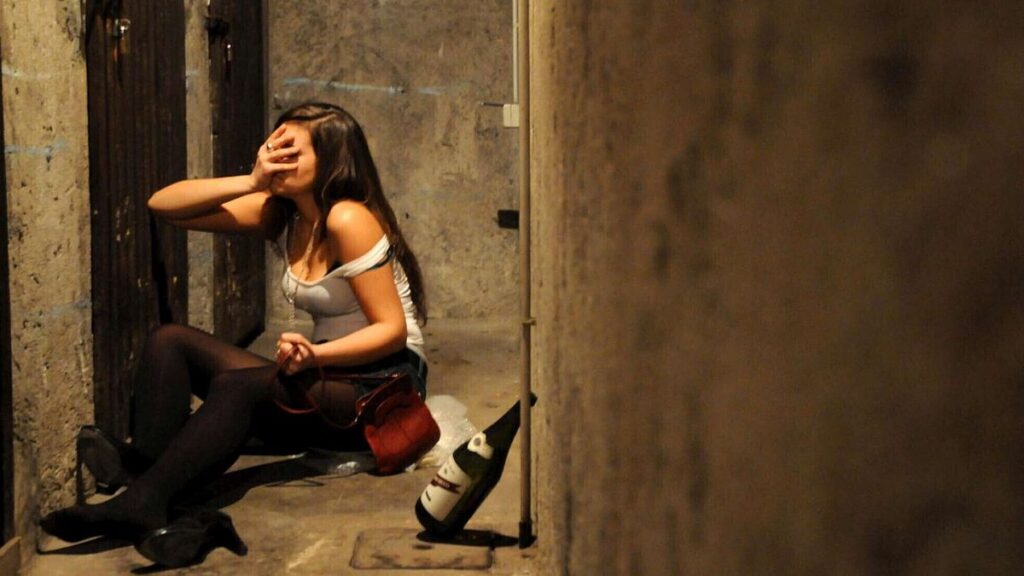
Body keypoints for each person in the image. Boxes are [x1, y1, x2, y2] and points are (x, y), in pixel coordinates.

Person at [40, 102, 428, 565]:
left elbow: (391, 331)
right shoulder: (285, 215)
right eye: (272, 147)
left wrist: (315, 356)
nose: (275, 158)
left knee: (240, 388)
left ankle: (143, 498)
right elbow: (164, 205)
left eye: (289, 152)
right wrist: (250, 181)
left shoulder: (348, 218)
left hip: (383, 389)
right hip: (329, 373)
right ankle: (146, 467)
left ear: (331, 159)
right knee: (170, 341)